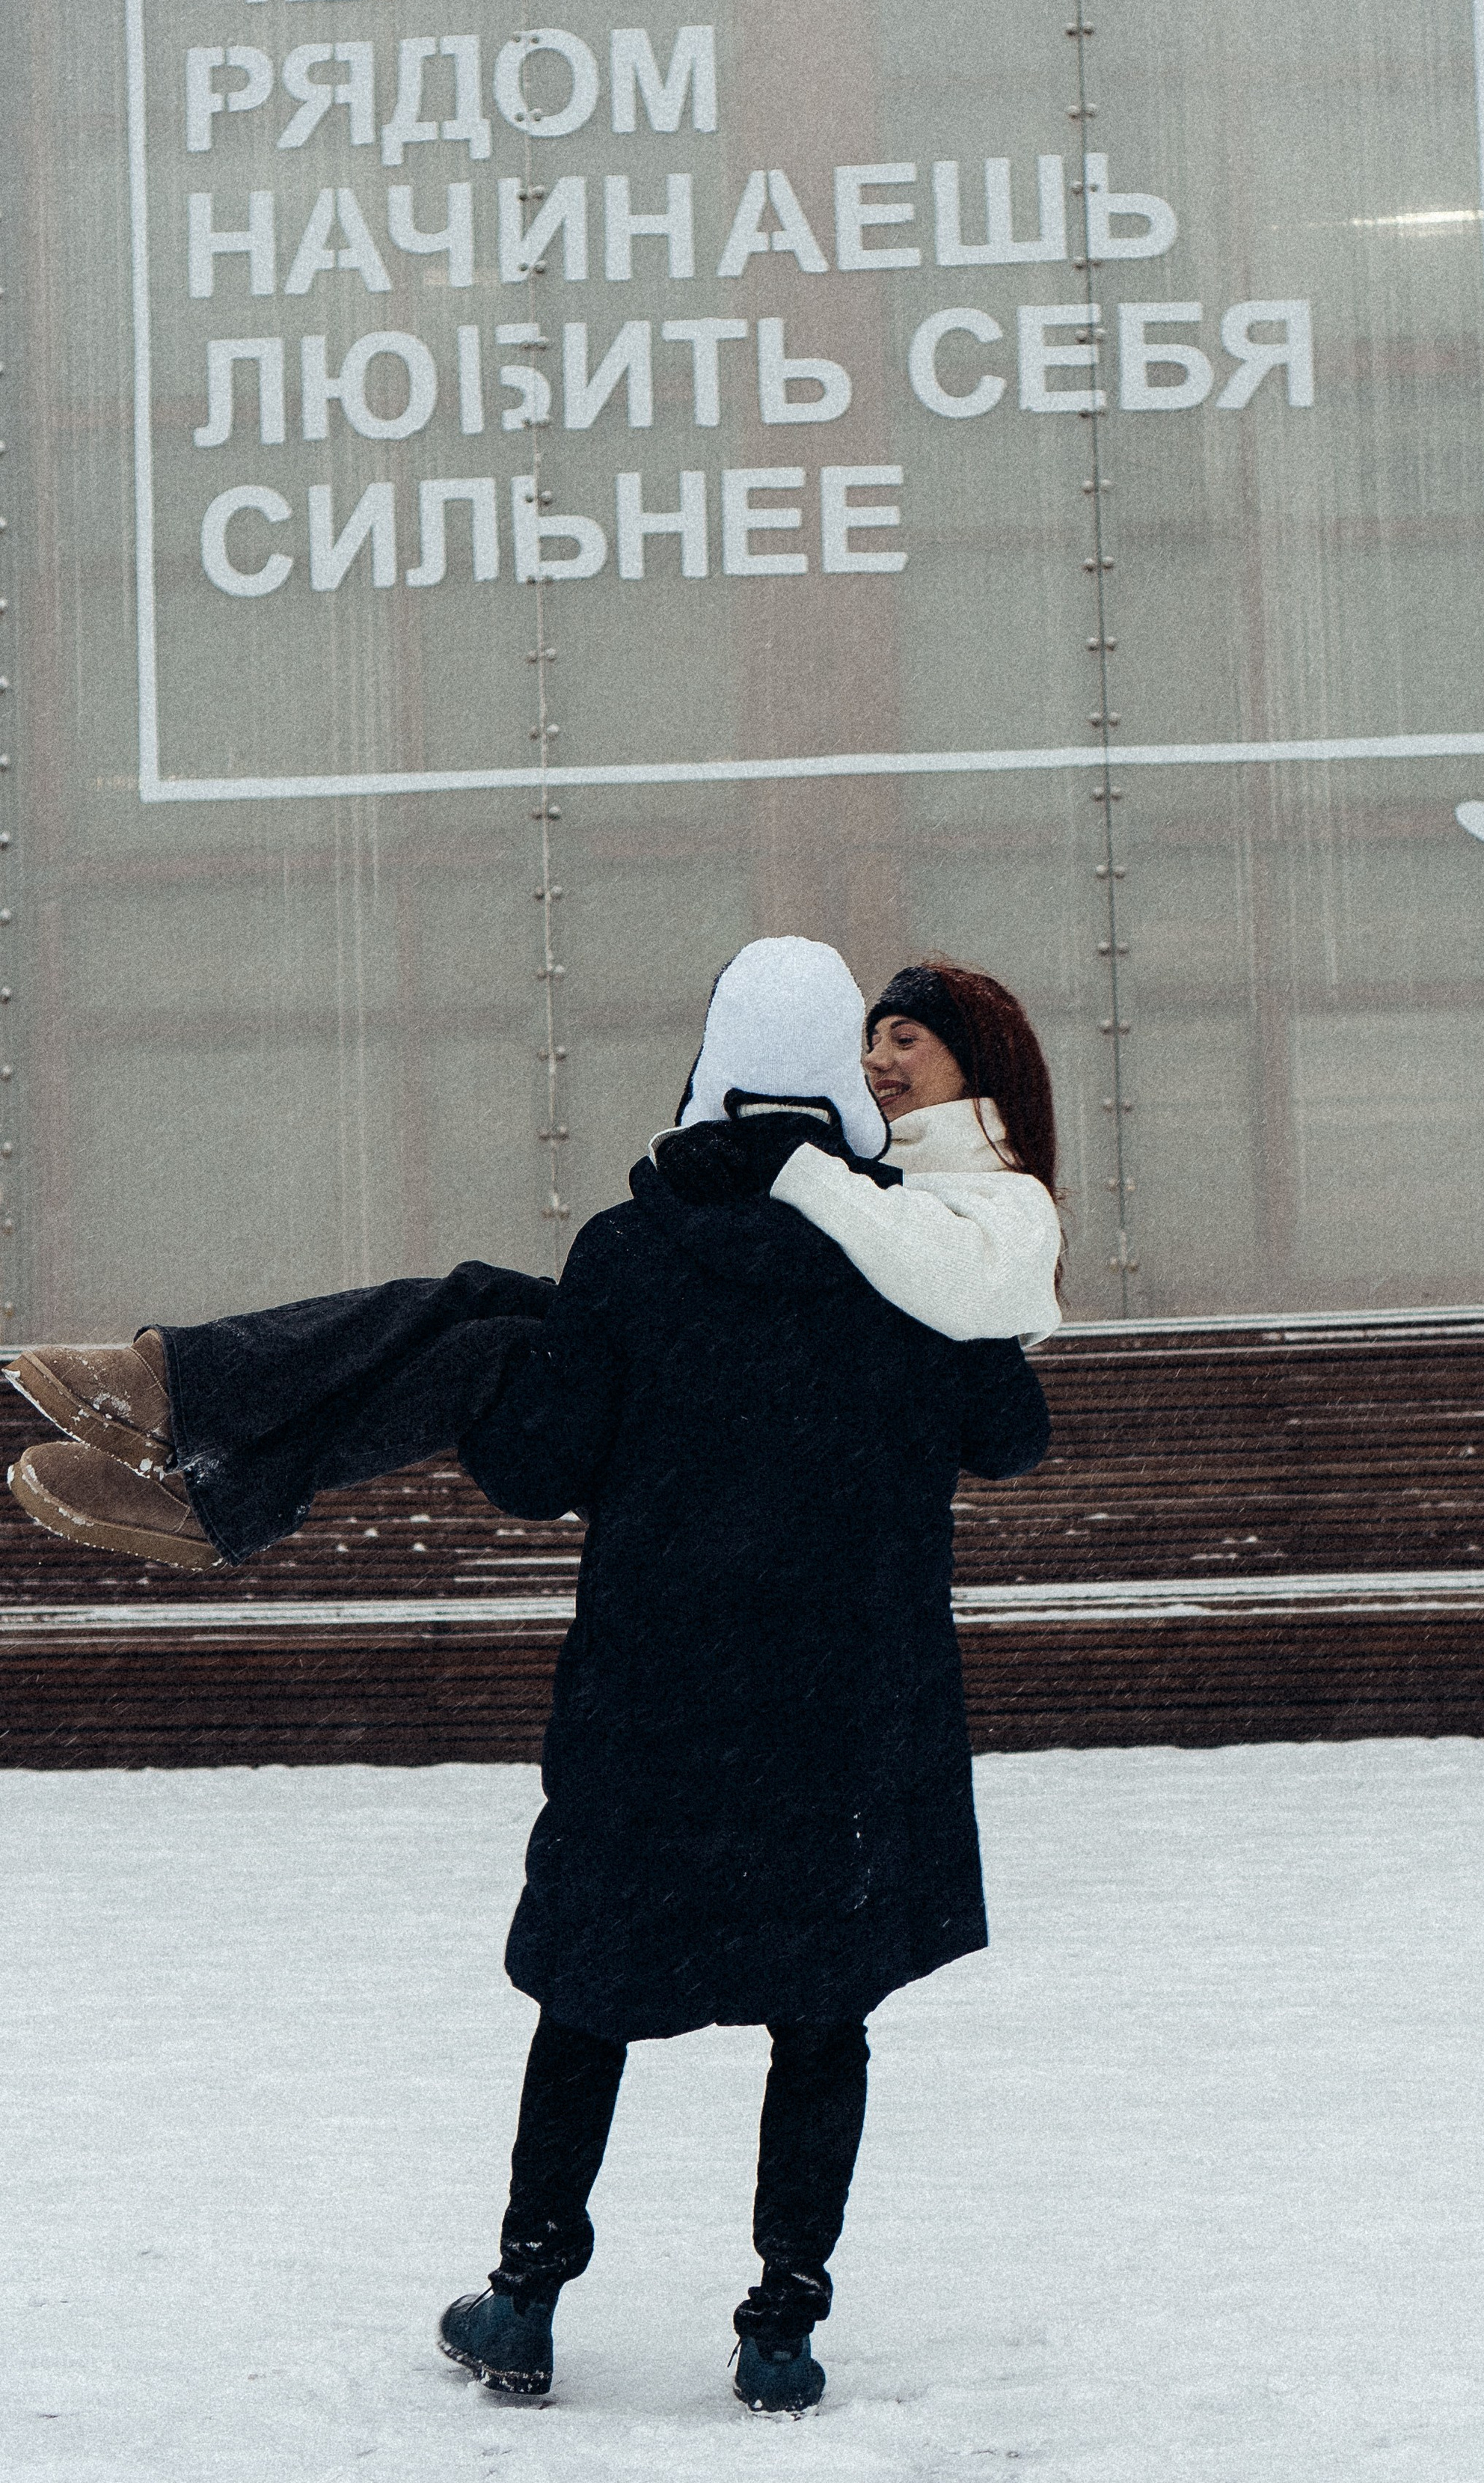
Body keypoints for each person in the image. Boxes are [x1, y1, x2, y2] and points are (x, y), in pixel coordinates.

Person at [4, 942, 1060, 2416]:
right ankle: (779, 2323)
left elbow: (537, 1467)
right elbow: (1010, 1435)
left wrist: (555, 1392)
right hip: (845, 1711)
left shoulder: (634, 1252)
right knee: (823, 2017)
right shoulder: (911, 1256)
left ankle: (522, 2297)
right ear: (836, 1079)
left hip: (659, 1701)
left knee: (591, 2000)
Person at [5, 955, 1061, 1568]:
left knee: (488, 1358)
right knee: (476, 1305)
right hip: (734, 1431)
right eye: (867, 1040)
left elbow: (969, 1307)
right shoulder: (887, 1175)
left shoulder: (998, 1197)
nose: (877, 1061)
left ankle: (207, 1469)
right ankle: (182, 1397)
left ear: (982, 1056)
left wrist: (792, 1170)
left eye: (906, 1039)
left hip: (731, 1458)